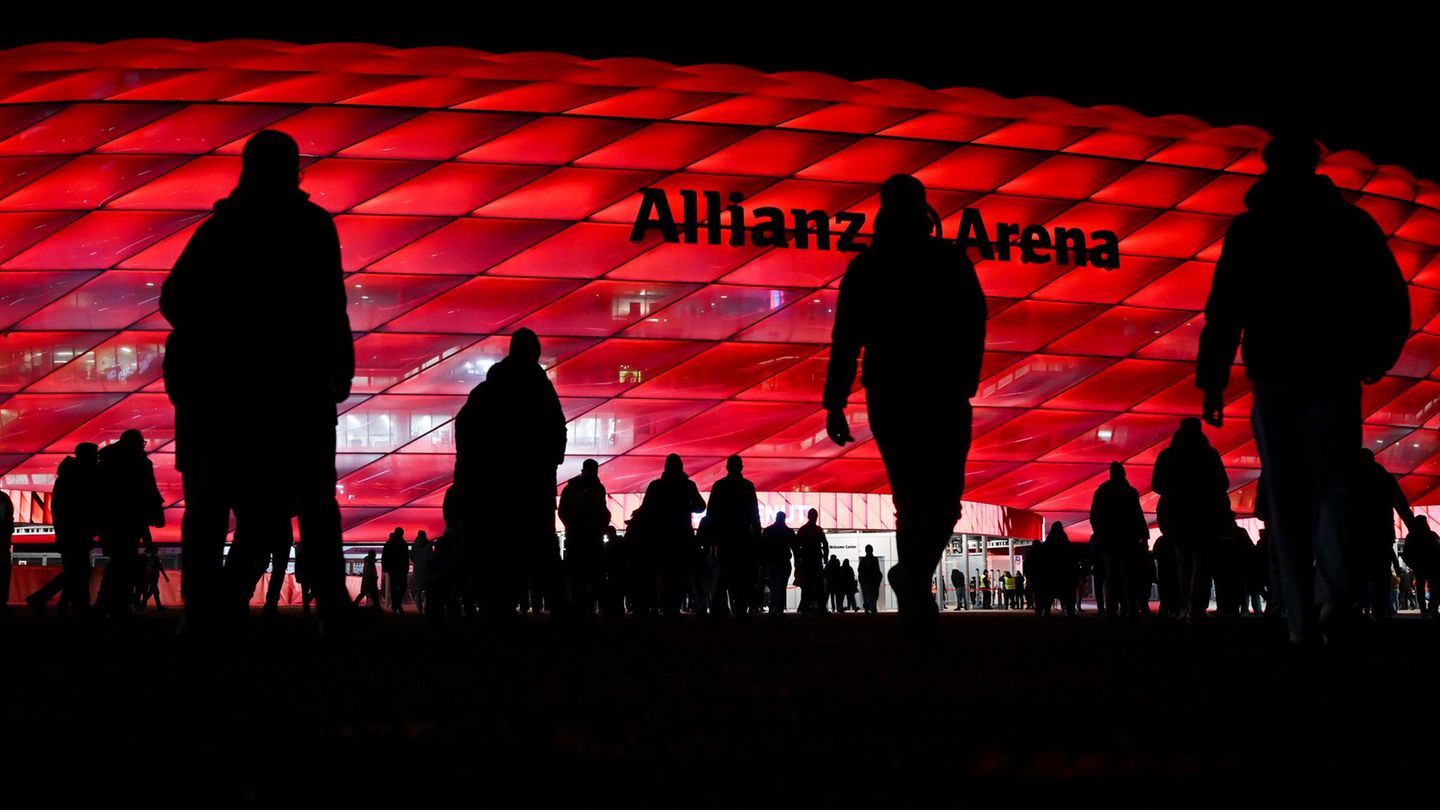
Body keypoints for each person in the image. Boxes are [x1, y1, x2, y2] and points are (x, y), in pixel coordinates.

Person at [1196, 132, 1410, 644]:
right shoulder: (1349, 224)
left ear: (1269, 169)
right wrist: (1376, 356)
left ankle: (1300, 618)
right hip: (1333, 368)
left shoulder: (1250, 230)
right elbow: (1390, 295)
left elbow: (1225, 308)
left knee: (1286, 491)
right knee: (1333, 483)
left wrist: (1214, 381)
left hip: (1275, 372)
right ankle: (1336, 598)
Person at [162, 129, 354, 631]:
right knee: (312, 500)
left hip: (228, 389)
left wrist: (219, 334)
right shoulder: (313, 226)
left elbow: (174, 300)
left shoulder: (221, 230)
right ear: (293, 172)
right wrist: (340, 363)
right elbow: (333, 305)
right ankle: (332, 608)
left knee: (212, 500)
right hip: (299, 385)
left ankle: (203, 612)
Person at [824, 174, 986, 636]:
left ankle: (911, 577)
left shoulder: (868, 266)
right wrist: (966, 380)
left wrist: (836, 403)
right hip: (941, 389)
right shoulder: (949, 260)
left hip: (890, 391)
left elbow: (846, 340)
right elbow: (974, 321)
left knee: (910, 498)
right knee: (941, 497)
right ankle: (913, 580)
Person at [452, 328, 567, 623]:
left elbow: (466, 431)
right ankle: (559, 606)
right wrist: (551, 462)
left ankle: (496, 606)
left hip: (493, 484)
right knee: (541, 544)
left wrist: (469, 476)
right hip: (533, 482)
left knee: (497, 547)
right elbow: (557, 427)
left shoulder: (487, 389)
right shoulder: (540, 388)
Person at [1151, 418, 1230, 621]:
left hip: (1176, 517)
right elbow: (1223, 484)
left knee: (1183, 562)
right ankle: (1196, 606)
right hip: (1204, 516)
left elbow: (1157, 485)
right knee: (1201, 562)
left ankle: (1185, 606)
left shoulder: (1168, 455)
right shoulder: (1209, 455)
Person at [94, 430, 165, 619]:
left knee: (118, 562)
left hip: (110, 519)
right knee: (124, 562)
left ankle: (107, 603)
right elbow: (148, 491)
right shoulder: (139, 463)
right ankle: (115, 605)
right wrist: (154, 515)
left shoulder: (106, 462)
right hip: (131, 519)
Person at [27, 444, 101, 617]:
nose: (96, 458)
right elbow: (80, 507)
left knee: (76, 571)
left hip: (69, 531)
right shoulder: (79, 477)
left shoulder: (68, 476)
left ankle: (65, 604)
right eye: (94, 455)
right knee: (78, 572)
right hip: (75, 531)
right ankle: (50, 600)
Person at [637, 455, 705, 618]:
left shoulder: (656, 486)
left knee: (662, 573)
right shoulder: (688, 486)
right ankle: (673, 606)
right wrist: (686, 506)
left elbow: (646, 509)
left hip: (660, 536)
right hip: (682, 536)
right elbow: (701, 506)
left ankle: (662, 605)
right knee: (679, 574)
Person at [1348, 448, 1413, 620]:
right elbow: (1402, 505)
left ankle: (1358, 608)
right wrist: (1413, 528)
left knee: (1358, 572)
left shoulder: (1352, 478)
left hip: (1358, 534)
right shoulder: (1385, 478)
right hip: (1381, 532)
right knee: (1380, 573)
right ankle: (1379, 610)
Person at [700, 455, 762, 619]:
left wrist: (710, 538)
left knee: (723, 573)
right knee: (743, 575)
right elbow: (754, 514)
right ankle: (740, 609)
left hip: (724, 536)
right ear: (741, 467)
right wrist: (757, 535)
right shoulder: (747, 486)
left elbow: (711, 513)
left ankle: (717, 609)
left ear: (727, 468)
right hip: (742, 536)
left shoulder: (719, 486)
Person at [1089, 462, 1149, 619]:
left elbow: (1094, 516)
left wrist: (1100, 533)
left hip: (1109, 539)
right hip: (1129, 539)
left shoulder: (1102, 492)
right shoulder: (1130, 492)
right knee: (1129, 575)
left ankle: (1111, 609)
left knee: (1112, 573)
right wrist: (1143, 537)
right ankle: (1130, 608)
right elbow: (1138, 515)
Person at [559, 459, 611, 617]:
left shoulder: (570, 488)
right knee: (594, 574)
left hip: (576, 537)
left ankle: (577, 607)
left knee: (576, 575)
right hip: (592, 537)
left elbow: (563, 512)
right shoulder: (597, 488)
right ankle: (590, 607)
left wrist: (571, 527)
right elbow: (601, 511)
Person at [760, 513, 796, 617]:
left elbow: (762, 548)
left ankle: (774, 608)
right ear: (784, 519)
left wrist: (762, 563)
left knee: (774, 586)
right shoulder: (788, 532)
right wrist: (798, 560)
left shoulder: (768, 531)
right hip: (783, 562)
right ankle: (779, 609)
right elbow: (795, 547)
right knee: (781, 586)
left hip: (771, 562)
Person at [795, 509, 829, 615]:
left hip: (806, 561)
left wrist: (798, 560)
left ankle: (805, 609)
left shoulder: (802, 530)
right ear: (816, 517)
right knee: (819, 586)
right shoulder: (818, 530)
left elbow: (796, 547)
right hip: (816, 561)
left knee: (806, 586)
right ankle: (821, 608)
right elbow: (825, 544)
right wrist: (825, 557)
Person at [381, 527, 408, 613]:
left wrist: (385, 567)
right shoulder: (402, 543)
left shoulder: (389, 543)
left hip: (392, 569)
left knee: (394, 588)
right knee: (402, 586)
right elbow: (405, 557)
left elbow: (384, 556)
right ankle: (397, 605)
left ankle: (396, 605)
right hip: (401, 569)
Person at [411, 529, 433, 616]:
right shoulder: (428, 545)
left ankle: (419, 610)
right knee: (428, 592)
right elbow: (431, 558)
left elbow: (412, 558)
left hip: (417, 571)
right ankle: (426, 609)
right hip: (427, 571)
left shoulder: (414, 545)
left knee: (418, 592)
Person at [858, 545, 882, 613]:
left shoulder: (863, 560)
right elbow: (877, 570)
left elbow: (859, 570)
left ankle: (869, 606)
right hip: (873, 581)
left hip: (866, 581)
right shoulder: (874, 559)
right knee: (874, 595)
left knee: (867, 595)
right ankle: (871, 607)